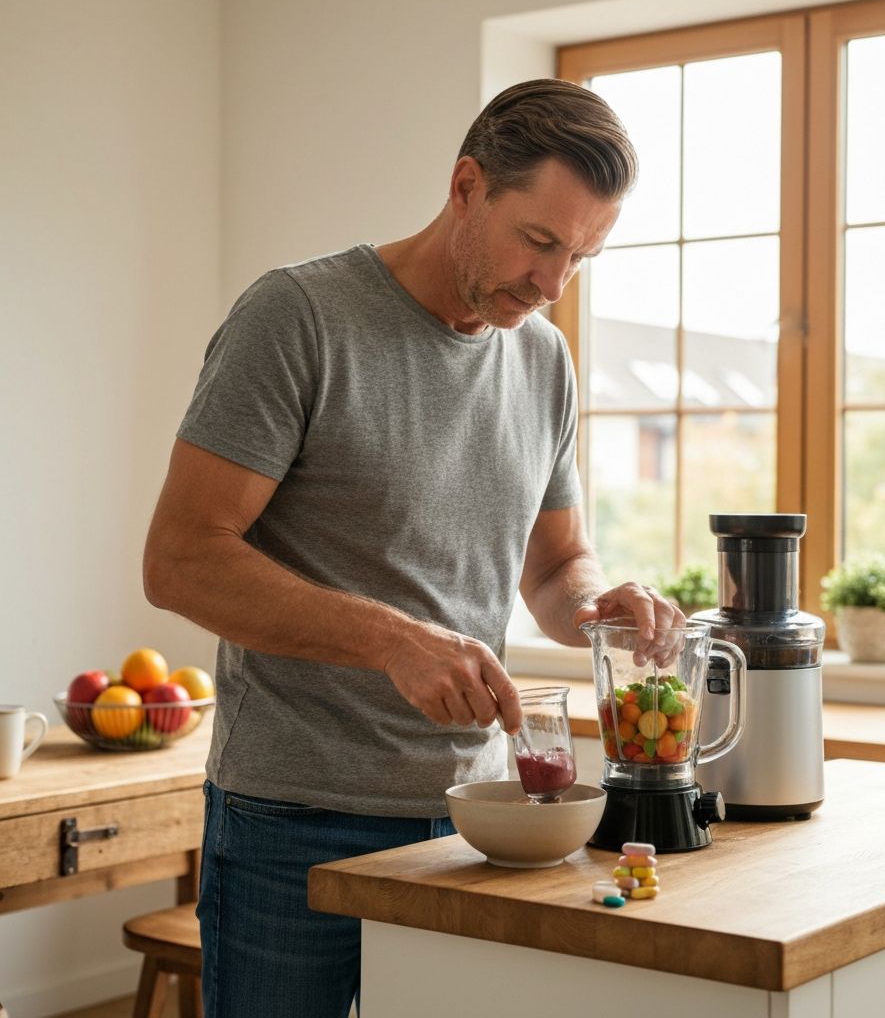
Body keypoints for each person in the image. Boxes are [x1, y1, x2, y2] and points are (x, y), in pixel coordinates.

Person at [143, 77, 685, 1018]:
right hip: (291, 820)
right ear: (467, 186)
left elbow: (556, 568)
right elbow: (181, 559)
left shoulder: (541, 358)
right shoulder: (299, 318)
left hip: (477, 819)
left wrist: (602, 602)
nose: (553, 284)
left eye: (584, 257)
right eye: (541, 241)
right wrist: (393, 639)